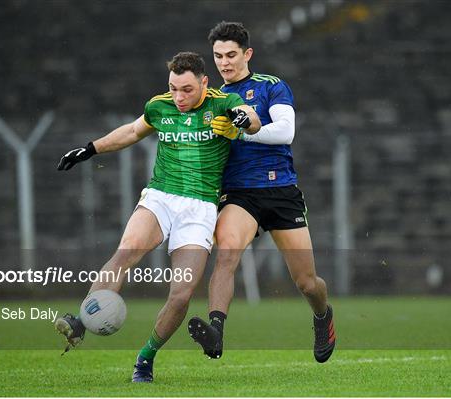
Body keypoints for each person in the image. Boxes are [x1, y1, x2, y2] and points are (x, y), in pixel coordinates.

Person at [55, 51, 261, 382]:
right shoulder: (159, 106)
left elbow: (251, 118)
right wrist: (90, 149)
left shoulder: (224, 103)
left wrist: (243, 120)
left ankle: (145, 359)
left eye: (187, 90)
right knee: (126, 251)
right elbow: (132, 132)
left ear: (204, 83)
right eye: (173, 88)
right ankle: (82, 321)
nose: (179, 97)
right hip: (161, 197)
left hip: (200, 209)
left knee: (181, 294)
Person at [187, 22, 336, 363]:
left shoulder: (271, 86)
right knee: (226, 252)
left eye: (231, 55)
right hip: (240, 195)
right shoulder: (212, 100)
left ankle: (323, 316)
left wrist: (244, 133)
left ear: (247, 54)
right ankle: (215, 332)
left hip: (281, 191)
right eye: (218, 56)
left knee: (307, 283)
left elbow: (286, 132)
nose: (224, 62)